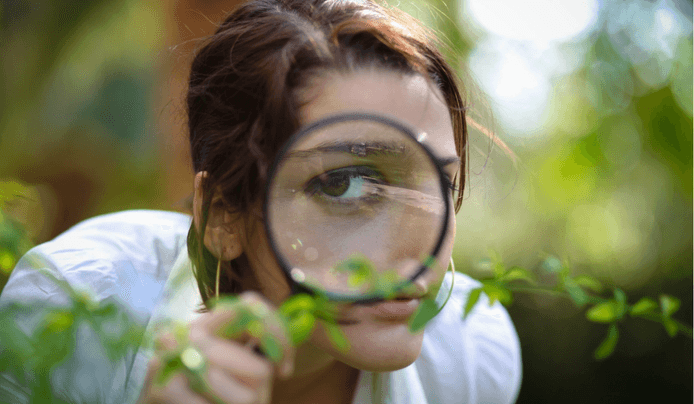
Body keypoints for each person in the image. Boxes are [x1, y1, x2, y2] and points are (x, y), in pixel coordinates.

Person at [0, 0, 521, 403]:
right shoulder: (71, 310)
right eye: (343, 185)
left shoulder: (471, 356)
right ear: (221, 214)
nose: (419, 251)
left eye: (440, 187)